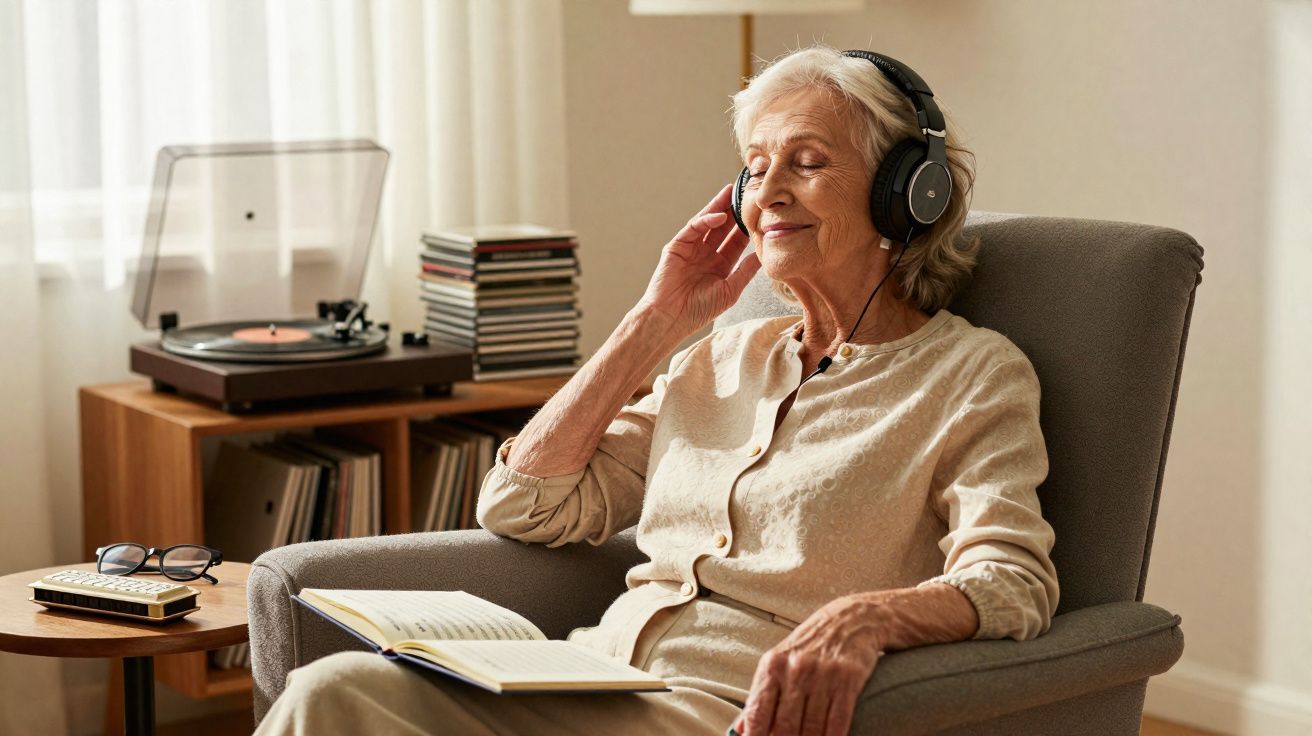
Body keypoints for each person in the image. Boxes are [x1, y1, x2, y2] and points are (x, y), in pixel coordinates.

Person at [255, 45, 1058, 736]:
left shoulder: (972, 376)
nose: (767, 191)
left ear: (906, 194)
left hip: (717, 709)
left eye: (806, 163)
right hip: (582, 677)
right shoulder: (719, 358)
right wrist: (656, 318)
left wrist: (864, 619)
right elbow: (523, 503)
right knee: (330, 690)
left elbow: (1013, 580)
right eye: (753, 168)